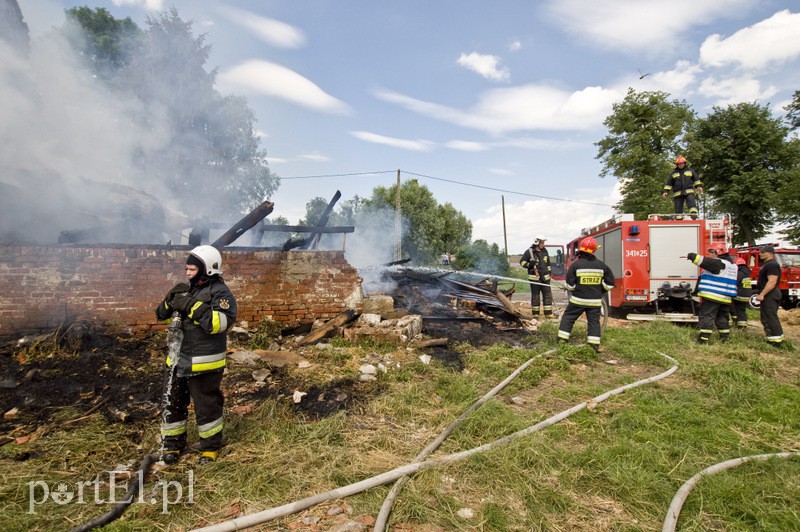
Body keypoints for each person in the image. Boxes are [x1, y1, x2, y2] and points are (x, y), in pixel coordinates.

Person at [155, 245, 237, 464]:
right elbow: (162, 316)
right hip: (177, 360)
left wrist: (192, 305)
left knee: (206, 406)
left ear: (207, 269)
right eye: (187, 269)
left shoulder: (220, 292)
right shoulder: (186, 289)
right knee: (172, 403)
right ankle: (172, 446)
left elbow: (219, 324)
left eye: (192, 269)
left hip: (204, 362)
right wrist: (169, 299)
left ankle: (209, 448)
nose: (188, 273)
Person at [557, 237, 615, 352]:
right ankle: (593, 346)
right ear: (594, 250)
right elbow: (610, 284)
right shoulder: (602, 266)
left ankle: (562, 341)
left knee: (568, 318)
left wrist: (568, 287)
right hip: (594, 302)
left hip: (577, 300)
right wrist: (599, 290)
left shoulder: (576, 265)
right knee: (594, 322)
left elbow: (570, 286)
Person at [686, 243, 737, 344]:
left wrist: (690, 256)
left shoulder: (719, 263)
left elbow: (702, 261)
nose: (710, 255)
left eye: (712, 252)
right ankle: (724, 338)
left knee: (707, 316)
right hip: (726, 297)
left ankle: (704, 339)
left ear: (719, 252)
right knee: (722, 317)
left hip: (713, 295)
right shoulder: (732, 265)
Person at [755, 245, 784, 347]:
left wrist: (762, 294)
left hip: (770, 294)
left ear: (770, 253)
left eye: (763, 252)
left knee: (770, 317)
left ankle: (776, 342)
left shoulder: (772, 265)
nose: (760, 254)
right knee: (766, 317)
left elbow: (772, 281)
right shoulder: (767, 264)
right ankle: (772, 338)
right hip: (769, 294)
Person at [520, 235, 553, 317]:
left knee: (547, 295)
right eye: (542, 243)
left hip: (545, 278)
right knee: (535, 296)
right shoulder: (529, 252)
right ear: (537, 243)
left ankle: (548, 313)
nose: (543, 244)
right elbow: (522, 262)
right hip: (534, 278)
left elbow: (548, 264)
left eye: (543, 243)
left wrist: (549, 273)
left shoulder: (545, 251)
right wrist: (529, 264)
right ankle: (535, 314)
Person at [731, 256, 752, 330]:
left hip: (739, 295)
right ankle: (742, 326)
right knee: (742, 311)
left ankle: (738, 324)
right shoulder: (746, 274)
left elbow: (733, 283)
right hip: (747, 295)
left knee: (734, 309)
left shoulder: (738, 274)